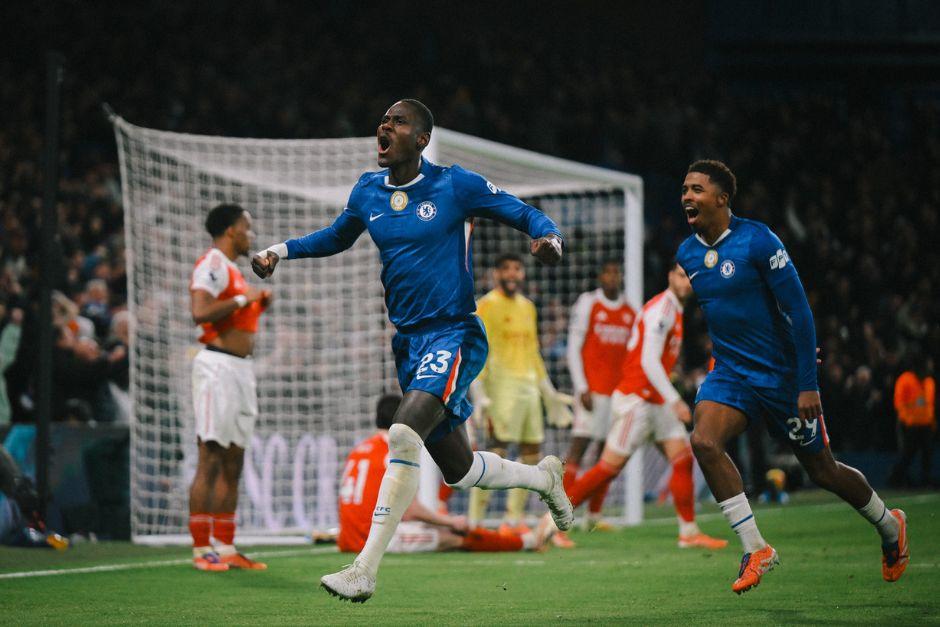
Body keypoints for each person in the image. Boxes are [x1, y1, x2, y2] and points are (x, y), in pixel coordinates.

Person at [252, 99, 573, 602]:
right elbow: (336, 237)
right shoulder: (368, 191)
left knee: (401, 433)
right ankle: (544, 478)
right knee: (460, 471)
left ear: (421, 139)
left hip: (453, 333)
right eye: (383, 120)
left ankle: (364, 570)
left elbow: (522, 212)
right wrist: (280, 250)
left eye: (398, 121)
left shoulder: (454, 184)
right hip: (408, 342)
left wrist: (548, 235)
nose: (385, 125)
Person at [676, 160, 908, 594]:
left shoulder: (758, 240)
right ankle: (755, 547)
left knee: (824, 471)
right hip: (730, 373)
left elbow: (798, 311)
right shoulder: (687, 253)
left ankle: (890, 525)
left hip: (781, 376)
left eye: (697, 189)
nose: (687, 196)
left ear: (722, 198)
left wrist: (807, 383)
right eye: (685, 188)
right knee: (704, 441)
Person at [548, 262, 727, 550]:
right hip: (637, 401)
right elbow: (647, 361)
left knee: (682, 459)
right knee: (606, 467)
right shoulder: (662, 310)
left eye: (691, 278)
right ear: (670, 276)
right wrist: (675, 400)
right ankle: (551, 524)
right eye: (681, 276)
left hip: (653, 400)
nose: (686, 283)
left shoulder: (668, 310)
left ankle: (689, 532)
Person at [339, 394, 554, 555]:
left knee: (441, 527)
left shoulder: (360, 449)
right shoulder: (394, 450)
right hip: (368, 538)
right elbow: (410, 511)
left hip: (348, 537)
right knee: (452, 537)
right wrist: (448, 522)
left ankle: (523, 538)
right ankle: (527, 542)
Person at [188, 203, 272, 572]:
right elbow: (200, 311)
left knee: (234, 461)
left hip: (241, 371)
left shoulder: (234, 271)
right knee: (210, 456)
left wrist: (254, 305)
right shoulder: (212, 264)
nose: (250, 235)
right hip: (217, 368)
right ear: (229, 230)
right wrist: (244, 299)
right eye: (246, 228)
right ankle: (201, 548)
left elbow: (234, 316)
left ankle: (225, 547)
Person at [469, 253, 572, 534]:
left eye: (517, 269)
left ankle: (512, 521)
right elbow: (477, 350)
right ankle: (475, 523)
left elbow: (533, 352)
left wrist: (548, 392)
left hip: (529, 389)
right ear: (496, 274)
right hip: (501, 388)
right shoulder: (485, 306)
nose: (512, 274)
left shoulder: (528, 307)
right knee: (496, 451)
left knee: (531, 454)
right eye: (506, 269)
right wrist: (478, 392)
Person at [562, 260, 635, 540]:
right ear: (600, 275)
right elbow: (574, 347)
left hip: (617, 395)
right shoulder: (588, 303)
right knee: (577, 450)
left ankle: (593, 515)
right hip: (592, 392)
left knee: (607, 455)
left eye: (616, 271)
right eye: (608, 271)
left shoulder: (630, 311)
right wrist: (581, 387)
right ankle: (561, 516)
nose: (612, 275)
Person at [888, 354, 935, 487]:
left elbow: (929, 404)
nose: (931, 366)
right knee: (907, 455)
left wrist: (931, 421)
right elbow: (899, 403)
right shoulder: (905, 380)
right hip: (909, 425)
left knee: (927, 455)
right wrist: (907, 420)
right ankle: (895, 479)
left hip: (926, 425)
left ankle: (926, 480)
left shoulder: (929, 382)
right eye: (928, 363)